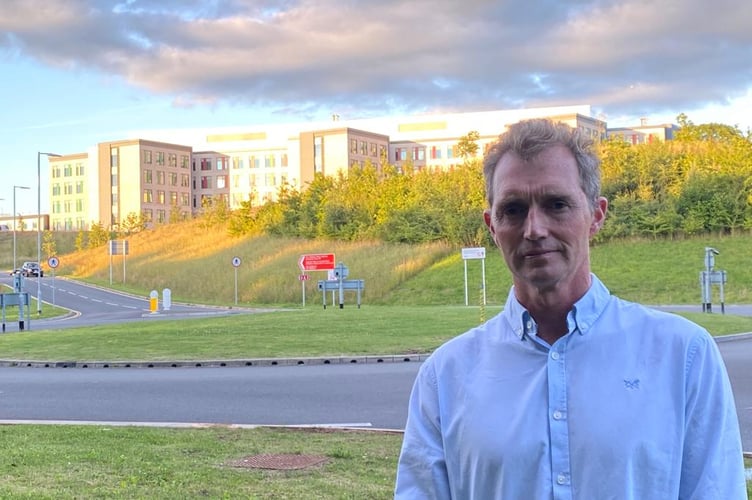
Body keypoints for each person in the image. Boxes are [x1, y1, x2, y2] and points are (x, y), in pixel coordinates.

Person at [394, 118, 746, 499]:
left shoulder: (683, 356)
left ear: (596, 215)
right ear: (491, 226)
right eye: (513, 209)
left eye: (556, 204)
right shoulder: (445, 377)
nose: (534, 229)